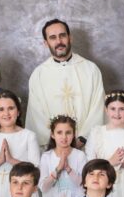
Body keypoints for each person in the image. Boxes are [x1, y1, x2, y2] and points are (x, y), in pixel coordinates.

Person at [26, 19, 106, 148]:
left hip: (86, 146)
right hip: (53, 150)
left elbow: (98, 108)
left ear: (70, 38)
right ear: (46, 43)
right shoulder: (38, 75)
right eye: (53, 38)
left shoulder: (91, 69)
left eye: (62, 35)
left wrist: (82, 138)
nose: (59, 41)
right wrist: (57, 143)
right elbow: (36, 116)